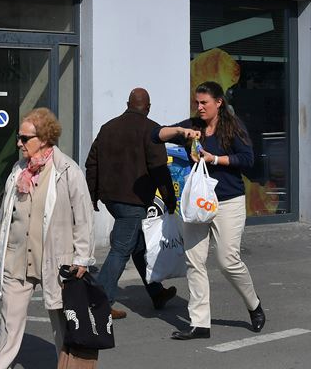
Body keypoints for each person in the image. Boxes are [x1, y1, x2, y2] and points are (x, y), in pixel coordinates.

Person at [0, 107, 98, 369]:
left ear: (44, 139)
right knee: (9, 323)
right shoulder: (18, 170)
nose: (19, 143)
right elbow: (6, 213)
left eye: (25, 138)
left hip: (55, 261)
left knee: (63, 323)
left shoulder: (67, 171)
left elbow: (83, 218)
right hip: (16, 257)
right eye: (19, 137)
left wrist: (82, 257)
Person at [153, 81, 265, 340]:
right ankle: (200, 323)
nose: (200, 107)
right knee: (194, 261)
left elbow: (247, 159)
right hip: (196, 203)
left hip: (228, 201)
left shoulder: (233, 127)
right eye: (197, 102)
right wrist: (181, 131)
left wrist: (214, 159)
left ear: (219, 102)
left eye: (204, 102)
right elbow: (155, 135)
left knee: (228, 261)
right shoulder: (193, 126)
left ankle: (254, 305)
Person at [85, 88, 178, 320]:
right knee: (121, 249)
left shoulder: (107, 128)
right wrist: (169, 199)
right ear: (148, 107)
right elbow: (159, 169)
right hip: (133, 202)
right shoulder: (152, 130)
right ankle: (100, 302)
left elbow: (92, 163)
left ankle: (156, 292)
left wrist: (93, 195)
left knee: (138, 247)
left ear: (128, 104)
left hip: (111, 199)